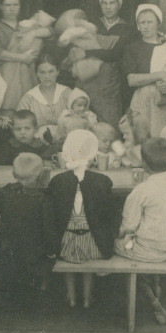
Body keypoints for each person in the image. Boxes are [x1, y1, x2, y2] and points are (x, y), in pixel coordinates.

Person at [114, 137, 166, 324]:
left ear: (144, 164)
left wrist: (117, 234)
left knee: (109, 248)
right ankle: (155, 290)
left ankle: (153, 301)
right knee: (137, 244)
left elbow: (127, 226)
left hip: (145, 251)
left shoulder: (142, 190)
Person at [46, 129, 115, 309]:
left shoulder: (57, 181)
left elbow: (51, 218)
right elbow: (108, 216)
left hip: (65, 244)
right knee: (89, 244)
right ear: (93, 155)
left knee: (70, 252)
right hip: (95, 244)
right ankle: (87, 297)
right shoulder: (103, 181)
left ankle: (71, 296)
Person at [0, 153, 55, 307]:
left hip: (7, 248)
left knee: (2, 260)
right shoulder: (44, 198)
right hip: (33, 250)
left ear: (13, 173)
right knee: (46, 259)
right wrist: (52, 249)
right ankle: (42, 288)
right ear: (40, 174)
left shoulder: (5, 192)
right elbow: (49, 228)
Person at [71, 0, 133, 127]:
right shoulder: (92, 25)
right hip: (89, 80)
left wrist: (87, 53)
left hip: (110, 82)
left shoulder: (127, 29)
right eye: (104, 3)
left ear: (119, 5)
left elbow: (116, 54)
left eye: (112, 3)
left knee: (108, 121)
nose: (108, 7)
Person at [123, 4, 166, 142]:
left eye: (149, 22)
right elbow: (132, 80)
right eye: (142, 22)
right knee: (139, 138)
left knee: (161, 139)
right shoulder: (133, 49)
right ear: (138, 25)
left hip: (165, 99)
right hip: (141, 99)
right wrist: (160, 74)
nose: (146, 26)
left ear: (158, 23)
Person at [0, 0, 38, 109]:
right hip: (7, 75)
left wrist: (34, 33)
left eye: (15, 4)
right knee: (8, 107)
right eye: (7, 5)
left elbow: (50, 32)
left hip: (28, 74)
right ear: (0, 6)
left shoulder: (27, 24)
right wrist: (22, 58)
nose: (12, 9)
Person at [17, 54, 72, 142]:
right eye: (42, 72)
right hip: (38, 146)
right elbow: (20, 127)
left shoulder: (67, 93)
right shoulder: (28, 98)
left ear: (58, 72)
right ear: (37, 74)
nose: (47, 76)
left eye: (51, 71)